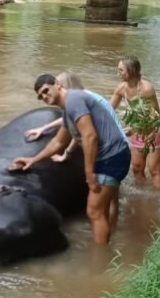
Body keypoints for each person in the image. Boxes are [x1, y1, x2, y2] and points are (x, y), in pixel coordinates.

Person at [10, 74, 131, 245]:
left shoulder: (74, 99)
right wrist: (32, 159)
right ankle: (106, 247)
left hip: (111, 158)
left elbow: (90, 137)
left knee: (94, 211)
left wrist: (89, 173)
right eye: (40, 96)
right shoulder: (68, 110)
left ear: (57, 84)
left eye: (45, 90)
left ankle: (100, 261)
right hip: (110, 157)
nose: (44, 96)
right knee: (100, 210)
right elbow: (58, 142)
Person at [110, 57, 160, 189]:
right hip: (137, 127)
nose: (118, 73)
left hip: (155, 127)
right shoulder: (121, 88)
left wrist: (145, 131)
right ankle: (142, 198)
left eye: (121, 70)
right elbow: (108, 108)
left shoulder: (146, 88)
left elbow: (155, 115)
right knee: (137, 168)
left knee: (154, 170)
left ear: (131, 71)